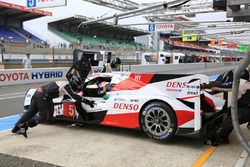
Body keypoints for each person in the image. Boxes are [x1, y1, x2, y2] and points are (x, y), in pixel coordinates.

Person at [11, 75, 95, 138]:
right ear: (74, 83)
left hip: (39, 92)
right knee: (45, 117)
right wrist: (86, 101)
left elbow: (69, 94)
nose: (78, 87)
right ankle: (25, 125)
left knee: (31, 112)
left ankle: (15, 128)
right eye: (78, 85)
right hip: (43, 96)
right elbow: (74, 96)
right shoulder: (66, 86)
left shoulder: (64, 83)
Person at [203, 69, 250, 145]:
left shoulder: (241, 82)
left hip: (247, 110)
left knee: (230, 121)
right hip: (244, 106)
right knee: (228, 112)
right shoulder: (246, 82)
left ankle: (213, 138)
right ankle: (223, 137)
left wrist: (205, 85)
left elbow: (221, 86)